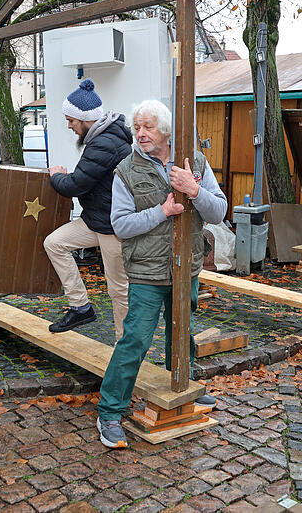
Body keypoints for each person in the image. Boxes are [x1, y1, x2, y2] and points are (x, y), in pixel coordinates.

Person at [96, 99, 227, 449]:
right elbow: (121, 225)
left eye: (148, 127)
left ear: (166, 131)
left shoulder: (195, 162)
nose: (140, 133)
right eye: (137, 127)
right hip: (147, 271)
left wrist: (194, 189)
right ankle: (109, 411)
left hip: (188, 267)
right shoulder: (126, 171)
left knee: (182, 332)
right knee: (136, 338)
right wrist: (162, 210)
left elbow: (219, 211)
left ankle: (182, 387)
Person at [44, 79, 132, 339]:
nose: (69, 126)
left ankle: (123, 346)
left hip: (113, 227)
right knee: (55, 243)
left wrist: (55, 176)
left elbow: (77, 184)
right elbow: (89, 179)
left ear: (85, 119)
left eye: (71, 120)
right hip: (96, 220)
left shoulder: (105, 143)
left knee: (118, 290)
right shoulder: (100, 139)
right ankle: (81, 307)